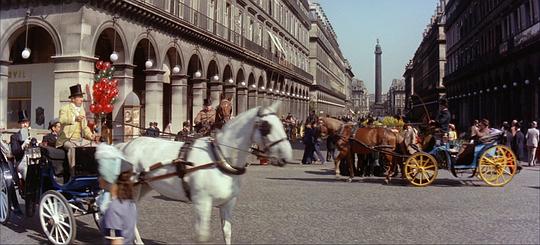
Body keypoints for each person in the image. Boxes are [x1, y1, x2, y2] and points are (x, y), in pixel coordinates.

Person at [95, 144, 137, 245]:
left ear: (107, 177)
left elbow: (116, 241)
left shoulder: (113, 209)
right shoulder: (129, 202)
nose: (98, 178)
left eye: (101, 174)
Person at [56, 84, 96, 178]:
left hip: (79, 139)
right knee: (73, 149)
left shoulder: (82, 110)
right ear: (73, 99)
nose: (82, 99)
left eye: (82, 97)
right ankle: (74, 175)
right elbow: (61, 120)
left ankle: (91, 172)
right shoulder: (65, 109)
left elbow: (85, 127)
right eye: (79, 97)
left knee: (94, 146)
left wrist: (91, 136)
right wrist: (74, 118)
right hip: (66, 139)